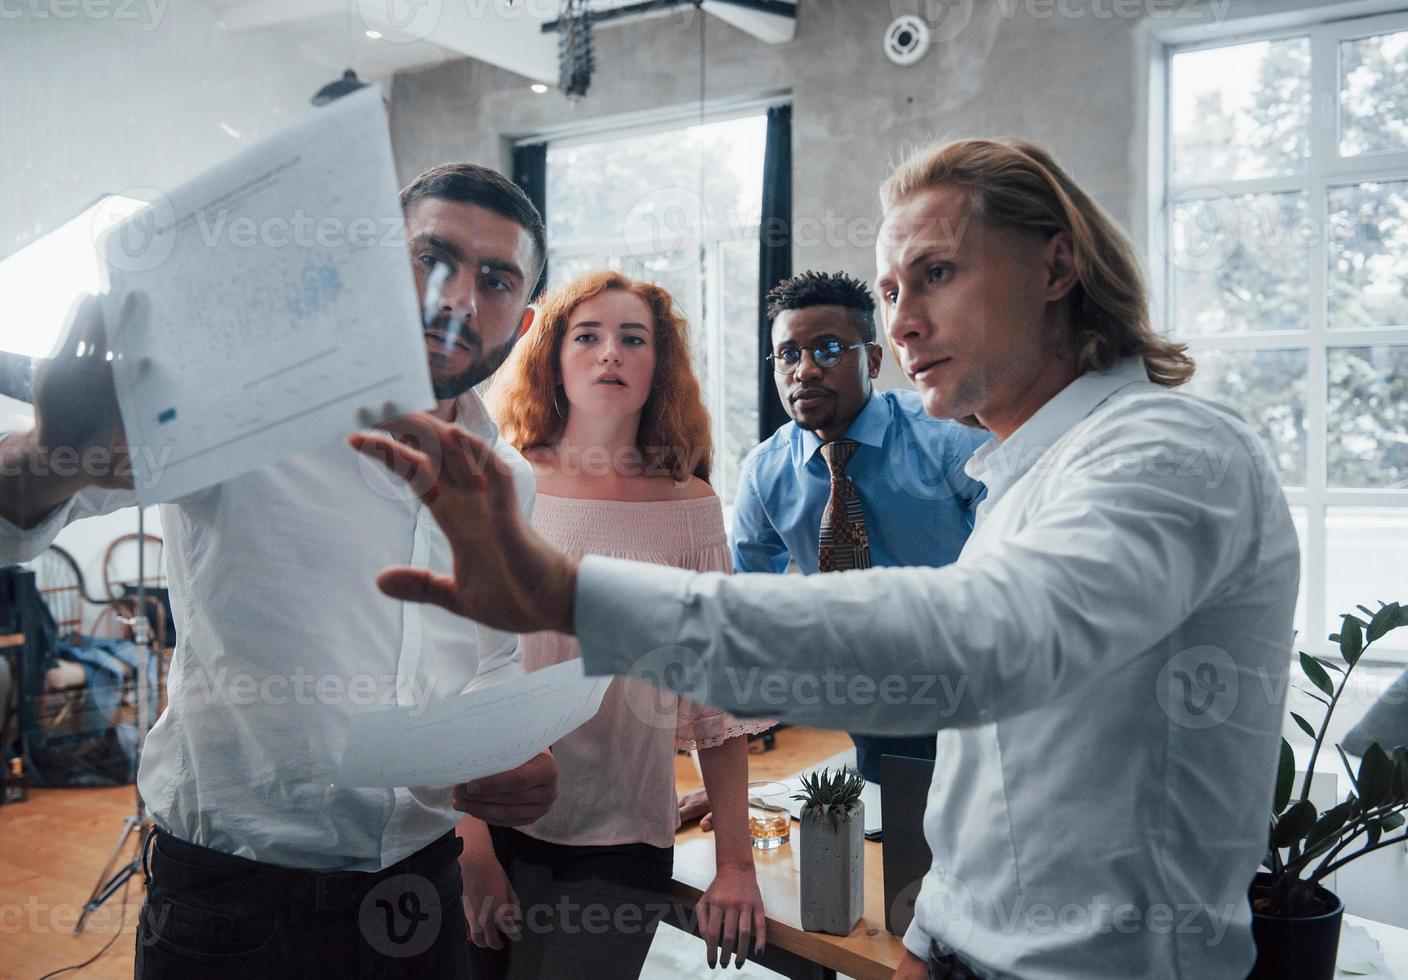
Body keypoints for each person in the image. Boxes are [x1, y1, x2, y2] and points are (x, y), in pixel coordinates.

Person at [352, 138, 1299, 980]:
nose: (902, 325)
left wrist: (575, 592)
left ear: (1056, 265)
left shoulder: (1169, 450)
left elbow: (975, 654)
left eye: (936, 274)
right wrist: (932, 936)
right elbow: (1000, 777)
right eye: (891, 293)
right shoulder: (1017, 476)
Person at [0, 163, 559, 979]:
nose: (456, 299)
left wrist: (509, 764)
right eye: (429, 256)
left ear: (525, 318)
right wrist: (50, 452)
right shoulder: (240, 408)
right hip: (236, 902)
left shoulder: (510, 480)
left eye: (496, 279)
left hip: (419, 888)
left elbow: (489, 662)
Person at [467, 269, 770, 977]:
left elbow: (715, 704)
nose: (610, 353)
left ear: (658, 367)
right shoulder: (500, 485)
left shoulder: (690, 507)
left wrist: (734, 864)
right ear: (552, 355)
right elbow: (455, 681)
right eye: (589, 335)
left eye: (633, 339)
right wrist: (470, 849)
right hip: (496, 828)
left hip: (626, 839)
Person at [733, 270, 987, 786]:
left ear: (872, 360)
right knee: (899, 832)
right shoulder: (766, 473)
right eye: (788, 355)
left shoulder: (945, 436)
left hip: (973, 675)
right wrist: (731, 782)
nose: (805, 371)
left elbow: (1016, 539)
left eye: (827, 350)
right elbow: (743, 604)